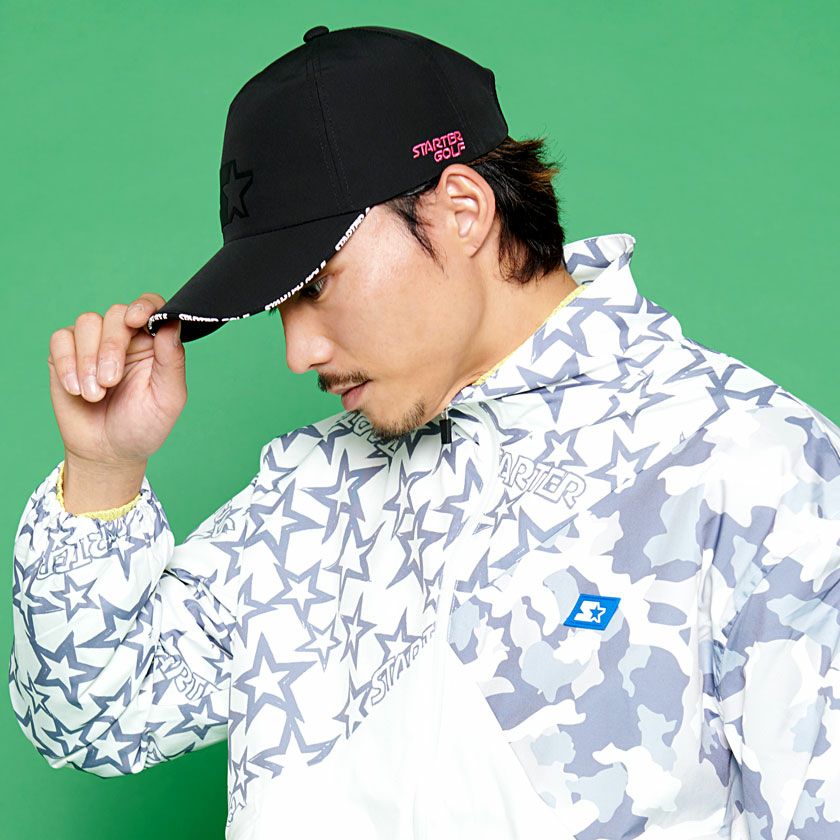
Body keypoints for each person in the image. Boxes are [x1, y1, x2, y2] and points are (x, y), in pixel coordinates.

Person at [9, 24, 840, 840]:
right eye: (281, 305)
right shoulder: (314, 491)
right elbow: (91, 720)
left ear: (462, 209)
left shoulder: (751, 465)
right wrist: (104, 470)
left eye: (317, 283)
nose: (299, 352)